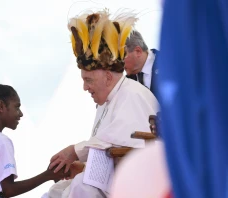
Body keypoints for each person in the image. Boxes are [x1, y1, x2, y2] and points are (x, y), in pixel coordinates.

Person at [42, 9, 159, 198]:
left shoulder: (132, 95)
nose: (85, 88)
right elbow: (109, 147)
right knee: (57, 191)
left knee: (82, 186)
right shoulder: (106, 102)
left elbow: (127, 148)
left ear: (107, 76)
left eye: (88, 80)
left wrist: (75, 151)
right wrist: (84, 165)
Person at [0, 84, 68, 198]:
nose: (21, 113)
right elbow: (9, 190)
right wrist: (48, 175)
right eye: (17, 107)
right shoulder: (1, 141)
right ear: (1, 106)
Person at [124, 30, 159, 97]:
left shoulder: (169, 66)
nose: (119, 61)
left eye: (122, 56)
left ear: (138, 51)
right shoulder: (125, 82)